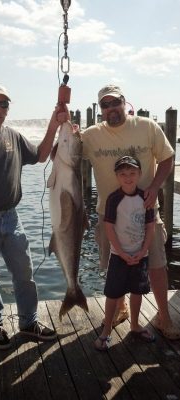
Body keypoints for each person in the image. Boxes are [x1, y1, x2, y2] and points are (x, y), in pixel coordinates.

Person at [0, 84, 68, 349]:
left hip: (12, 217)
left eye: (4, 104)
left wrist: (54, 122)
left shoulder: (14, 137)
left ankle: (28, 322)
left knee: (24, 272)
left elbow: (41, 156)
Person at [82, 84, 180, 340]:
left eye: (115, 102)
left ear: (125, 102)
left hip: (146, 214)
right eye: (105, 104)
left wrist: (155, 186)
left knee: (157, 266)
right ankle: (121, 307)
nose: (111, 108)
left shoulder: (147, 126)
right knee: (116, 266)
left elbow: (168, 157)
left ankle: (163, 317)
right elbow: (62, 153)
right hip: (109, 217)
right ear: (100, 109)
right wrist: (60, 125)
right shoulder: (90, 134)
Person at [95, 155, 155, 350]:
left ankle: (135, 325)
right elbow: (109, 228)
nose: (128, 177)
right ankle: (106, 330)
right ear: (117, 176)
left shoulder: (146, 197)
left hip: (140, 255)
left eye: (132, 173)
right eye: (123, 174)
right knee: (113, 293)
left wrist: (143, 250)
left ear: (139, 174)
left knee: (138, 292)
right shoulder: (114, 198)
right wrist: (120, 252)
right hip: (119, 256)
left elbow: (150, 225)